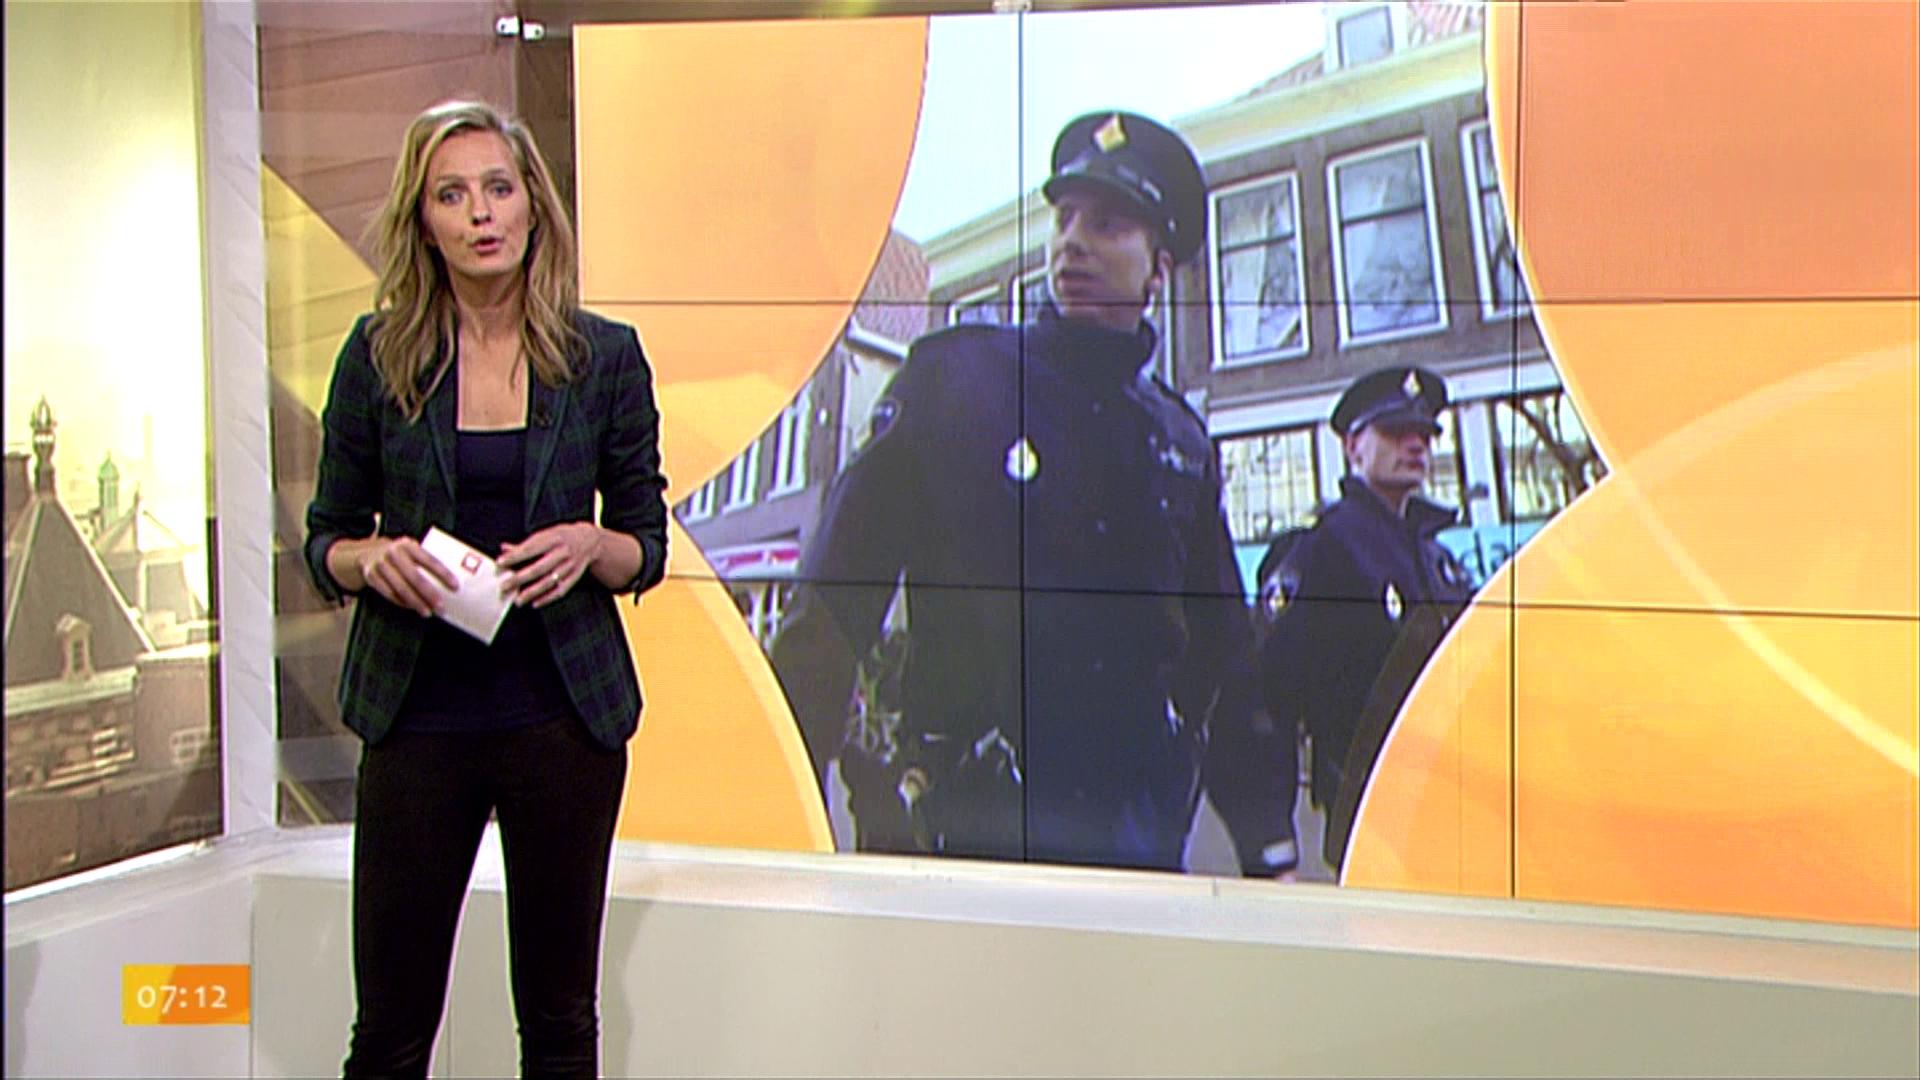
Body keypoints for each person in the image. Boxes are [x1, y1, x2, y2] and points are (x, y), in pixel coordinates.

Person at [769, 111, 1290, 874]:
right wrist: (779, 804)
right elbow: (830, 609)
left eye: (1107, 224)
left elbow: (1223, 655)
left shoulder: (1180, 441)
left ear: (1158, 268)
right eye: (1064, 218)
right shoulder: (954, 382)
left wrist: (1268, 845)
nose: (1071, 241)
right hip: (968, 837)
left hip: (1133, 846)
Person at [303, 100, 668, 1078]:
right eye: (452, 195)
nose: (480, 214)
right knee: (389, 1031)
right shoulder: (377, 357)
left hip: (562, 722)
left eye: (499, 189)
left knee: (560, 1025)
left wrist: (590, 545)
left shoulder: (603, 359)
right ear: (422, 222)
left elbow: (645, 545)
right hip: (417, 721)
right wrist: (368, 562)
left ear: (533, 204)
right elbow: (324, 539)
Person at [1258, 366, 1473, 873]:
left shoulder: (1436, 557)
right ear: (1353, 446)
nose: (1416, 445)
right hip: (1371, 806)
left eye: (1425, 435)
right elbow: (1269, 700)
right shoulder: (1323, 549)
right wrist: (1270, 843)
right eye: (1397, 432)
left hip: (1456, 801)